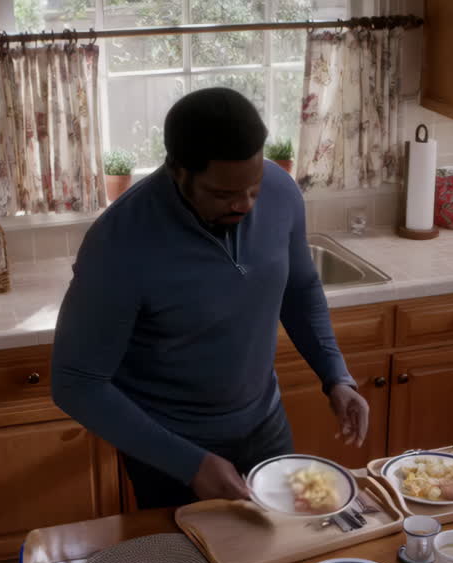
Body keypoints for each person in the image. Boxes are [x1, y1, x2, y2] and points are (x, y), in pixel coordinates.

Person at [51, 87, 368, 509]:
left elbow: (300, 288)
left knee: (285, 554)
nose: (245, 204)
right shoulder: (118, 244)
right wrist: (189, 464)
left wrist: (335, 376)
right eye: (223, 195)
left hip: (266, 426)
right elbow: (76, 383)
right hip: (170, 451)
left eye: (253, 187)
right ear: (177, 171)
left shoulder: (280, 192)